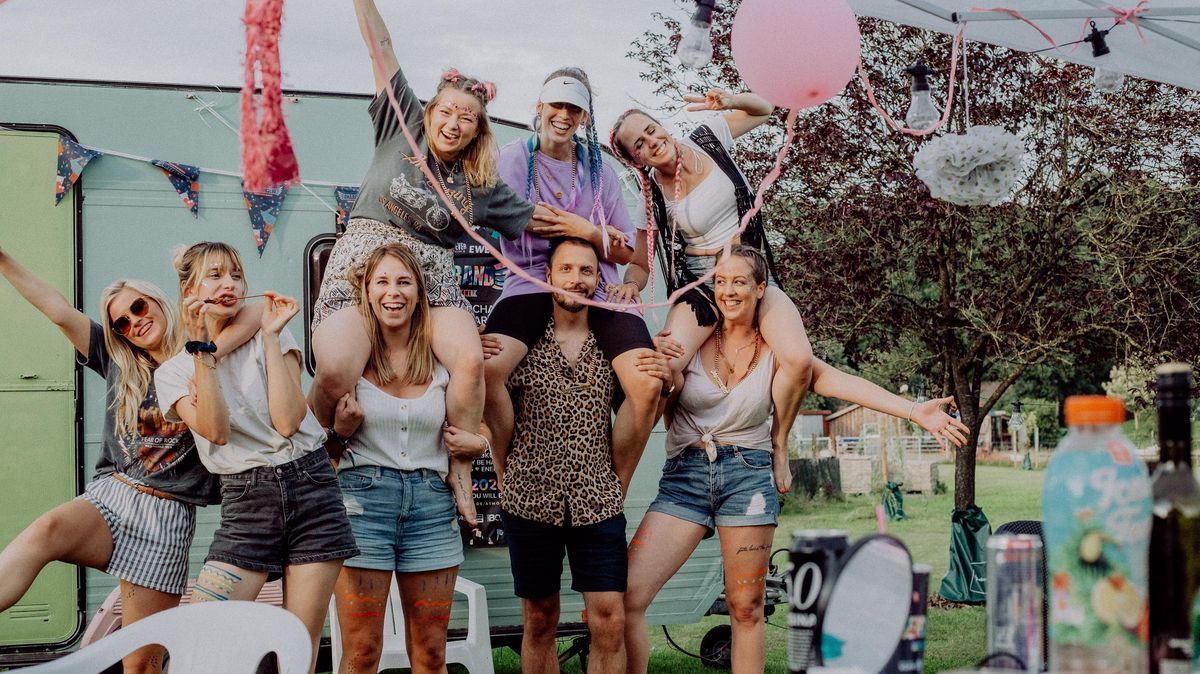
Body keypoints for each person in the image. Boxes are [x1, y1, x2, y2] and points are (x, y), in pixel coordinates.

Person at [623, 246, 970, 674]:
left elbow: (837, 382)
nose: (728, 291)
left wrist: (914, 411)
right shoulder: (691, 341)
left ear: (761, 289)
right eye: (721, 281)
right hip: (685, 477)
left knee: (746, 607)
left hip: (747, 478)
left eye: (740, 281)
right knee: (627, 597)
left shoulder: (777, 351)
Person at [310, 0, 540, 524]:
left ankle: (458, 468)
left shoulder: (481, 187)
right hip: (367, 255)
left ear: (479, 130)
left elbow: (539, 220)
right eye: (447, 112)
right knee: (335, 370)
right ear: (429, 112)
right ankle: (314, 459)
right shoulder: (401, 125)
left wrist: (602, 236)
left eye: (468, 118)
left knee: (469, 360)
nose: (454, 123)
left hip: (432, 269)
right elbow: (381, 47)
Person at [0, 245, 258, 674]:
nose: (134, 321)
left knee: (141, 664)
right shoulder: (119, 361)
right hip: (114, 495)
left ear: (159, 301)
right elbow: (58, 310)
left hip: (168, 515)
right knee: (45, 530)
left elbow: (258, 309)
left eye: (139, 307)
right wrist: (4, 260)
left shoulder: (206, 351)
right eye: (122, 320)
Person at [154, 242, 359, 673]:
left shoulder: (269, 328)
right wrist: (203, 355)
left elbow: (288, 421)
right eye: (214, 275)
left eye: (235, 274)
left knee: (296, 648)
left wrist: (268, 336)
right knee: (201, 638)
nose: (228, 284)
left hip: (312, 487)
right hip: (248, 501)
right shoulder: (172, 372)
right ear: (188, 288)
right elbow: (217, 430)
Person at [493, 237, 670, 674]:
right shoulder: (521, 342)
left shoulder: (614, 345)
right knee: (539, 620)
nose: (577, 279)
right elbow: (489, 408)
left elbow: (643, 408)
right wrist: (504, 471)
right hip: (530, 498)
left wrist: (671, 378)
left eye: (587, 271)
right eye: (567, 269)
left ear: (599, 279)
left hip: (598, 500)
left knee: (609, 618)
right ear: (549, 275)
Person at [609, 90, 815, 464]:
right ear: (635, 159)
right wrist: (630, 284)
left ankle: (779, 443)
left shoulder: (707, 137)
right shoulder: (650, 195)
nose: (653, 142)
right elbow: (640, 263)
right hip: (700, 285)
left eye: (652, 130)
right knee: (663, 370)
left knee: (799, 360)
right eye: (640, 144)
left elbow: (765, 109)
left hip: (749, 274)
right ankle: (616, 480)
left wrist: (731, 100)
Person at [485, 66, 660, 490]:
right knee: (486, 371)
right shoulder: (511, 158)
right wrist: (593, 231)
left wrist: (581, 231)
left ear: (585, 116)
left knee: (648, 383)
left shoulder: (599, 170)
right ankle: (508, 474)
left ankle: (615, 487)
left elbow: (627, 253)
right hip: (531, 281)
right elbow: (503, 219)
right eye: (557, 105)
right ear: (540, 107)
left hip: (595, 283)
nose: (564, 115)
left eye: (575, 108)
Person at [326, 243, 479, 673]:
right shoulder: (350, 361)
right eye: (382, 282)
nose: (393, 293)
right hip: (361, 505)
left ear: (419, 293)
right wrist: (338, 434)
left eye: (403, 282)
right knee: (362, 652)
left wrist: (479, 445)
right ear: (367, 292)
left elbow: (471, 431)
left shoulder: (442, 361)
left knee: (432, 654)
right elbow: (310, 446)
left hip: (431, 507)